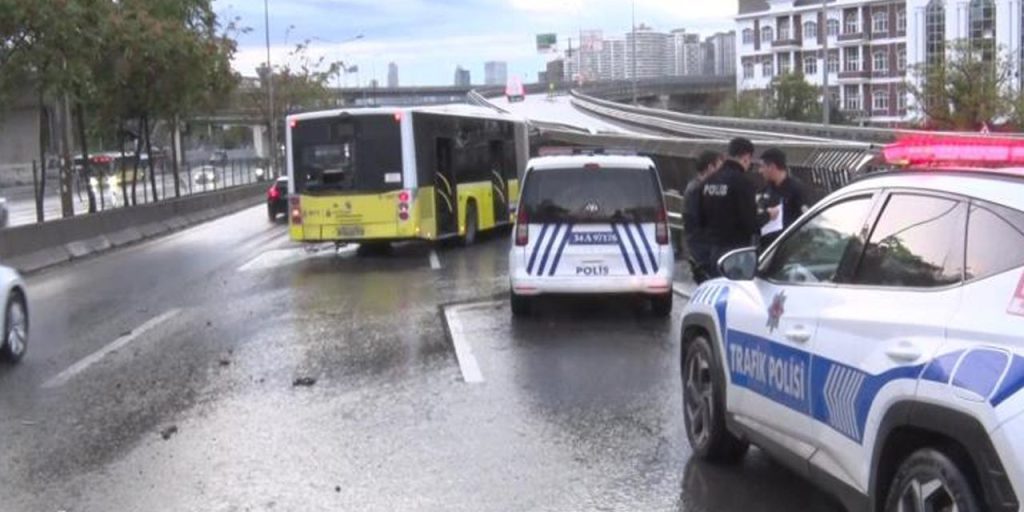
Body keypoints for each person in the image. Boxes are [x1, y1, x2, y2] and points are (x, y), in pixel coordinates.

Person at [698, 137, 760, 278]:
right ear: (746, 157)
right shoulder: (743, 183)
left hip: (713, 251)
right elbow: (750, 222)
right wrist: (768, 215)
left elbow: (700, 219)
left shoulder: (708, 182)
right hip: (736, 253)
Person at [757, 148, 810, 251]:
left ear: (772, 167)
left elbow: (806, 219)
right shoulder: (766, 190)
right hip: (766, 247)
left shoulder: (796, 189)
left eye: (762, 166)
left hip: (788, 249)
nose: (760, 171)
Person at [683, 150, 722, 283]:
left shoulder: (695, 187)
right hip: (703, 251)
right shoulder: (698, 190)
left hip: (700, 248)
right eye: (719, 167)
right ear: (710, 167)